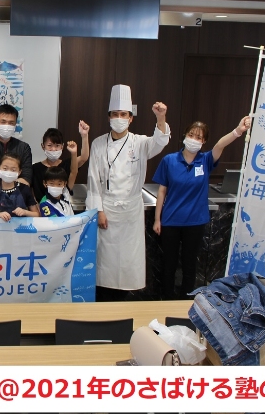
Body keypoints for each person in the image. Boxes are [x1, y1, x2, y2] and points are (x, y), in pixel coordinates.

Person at [86, 85, 171, 301]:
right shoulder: (98, 144)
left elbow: (160, 141)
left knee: (127, 265)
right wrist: (98, 211)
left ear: (130, 118)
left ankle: (121, 308)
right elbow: (93, 180)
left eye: (123, 114)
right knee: (105, 265)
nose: (119, 118)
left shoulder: (140, 143)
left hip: (131, 213)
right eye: (115, 114)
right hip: (107, 211)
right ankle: (103, 306)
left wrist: (160, 118)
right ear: (109, 117)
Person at [153, 116, 251, 299]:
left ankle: (185, 301)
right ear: (185, 135)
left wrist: (238, 131)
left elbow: (220, 145)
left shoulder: (205, 160)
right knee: (169, 264)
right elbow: (162, 191)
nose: (193, 139)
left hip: (195, 222)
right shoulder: (169, 160)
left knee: (190, 265)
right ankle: (166, 300)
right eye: (191, 135)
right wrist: (157, 219)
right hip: (171, 220)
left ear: (204, 141)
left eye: (198, 137)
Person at [31, 124, 89, 202]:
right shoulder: (35, 168)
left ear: (62, 146)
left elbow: (83, 158)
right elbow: (32, 192)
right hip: (42, 207)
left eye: (57, 145)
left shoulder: (68, 164)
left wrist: (84, 136)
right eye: (49, 145)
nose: (53, 149)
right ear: (43, 146)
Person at [0, 154, 40, 220]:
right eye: (5, 169)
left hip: (21, 226)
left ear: (19, 172)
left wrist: (25, 212)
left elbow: (37, 214)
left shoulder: (24, 189)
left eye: (13, 170)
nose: (8, 172)